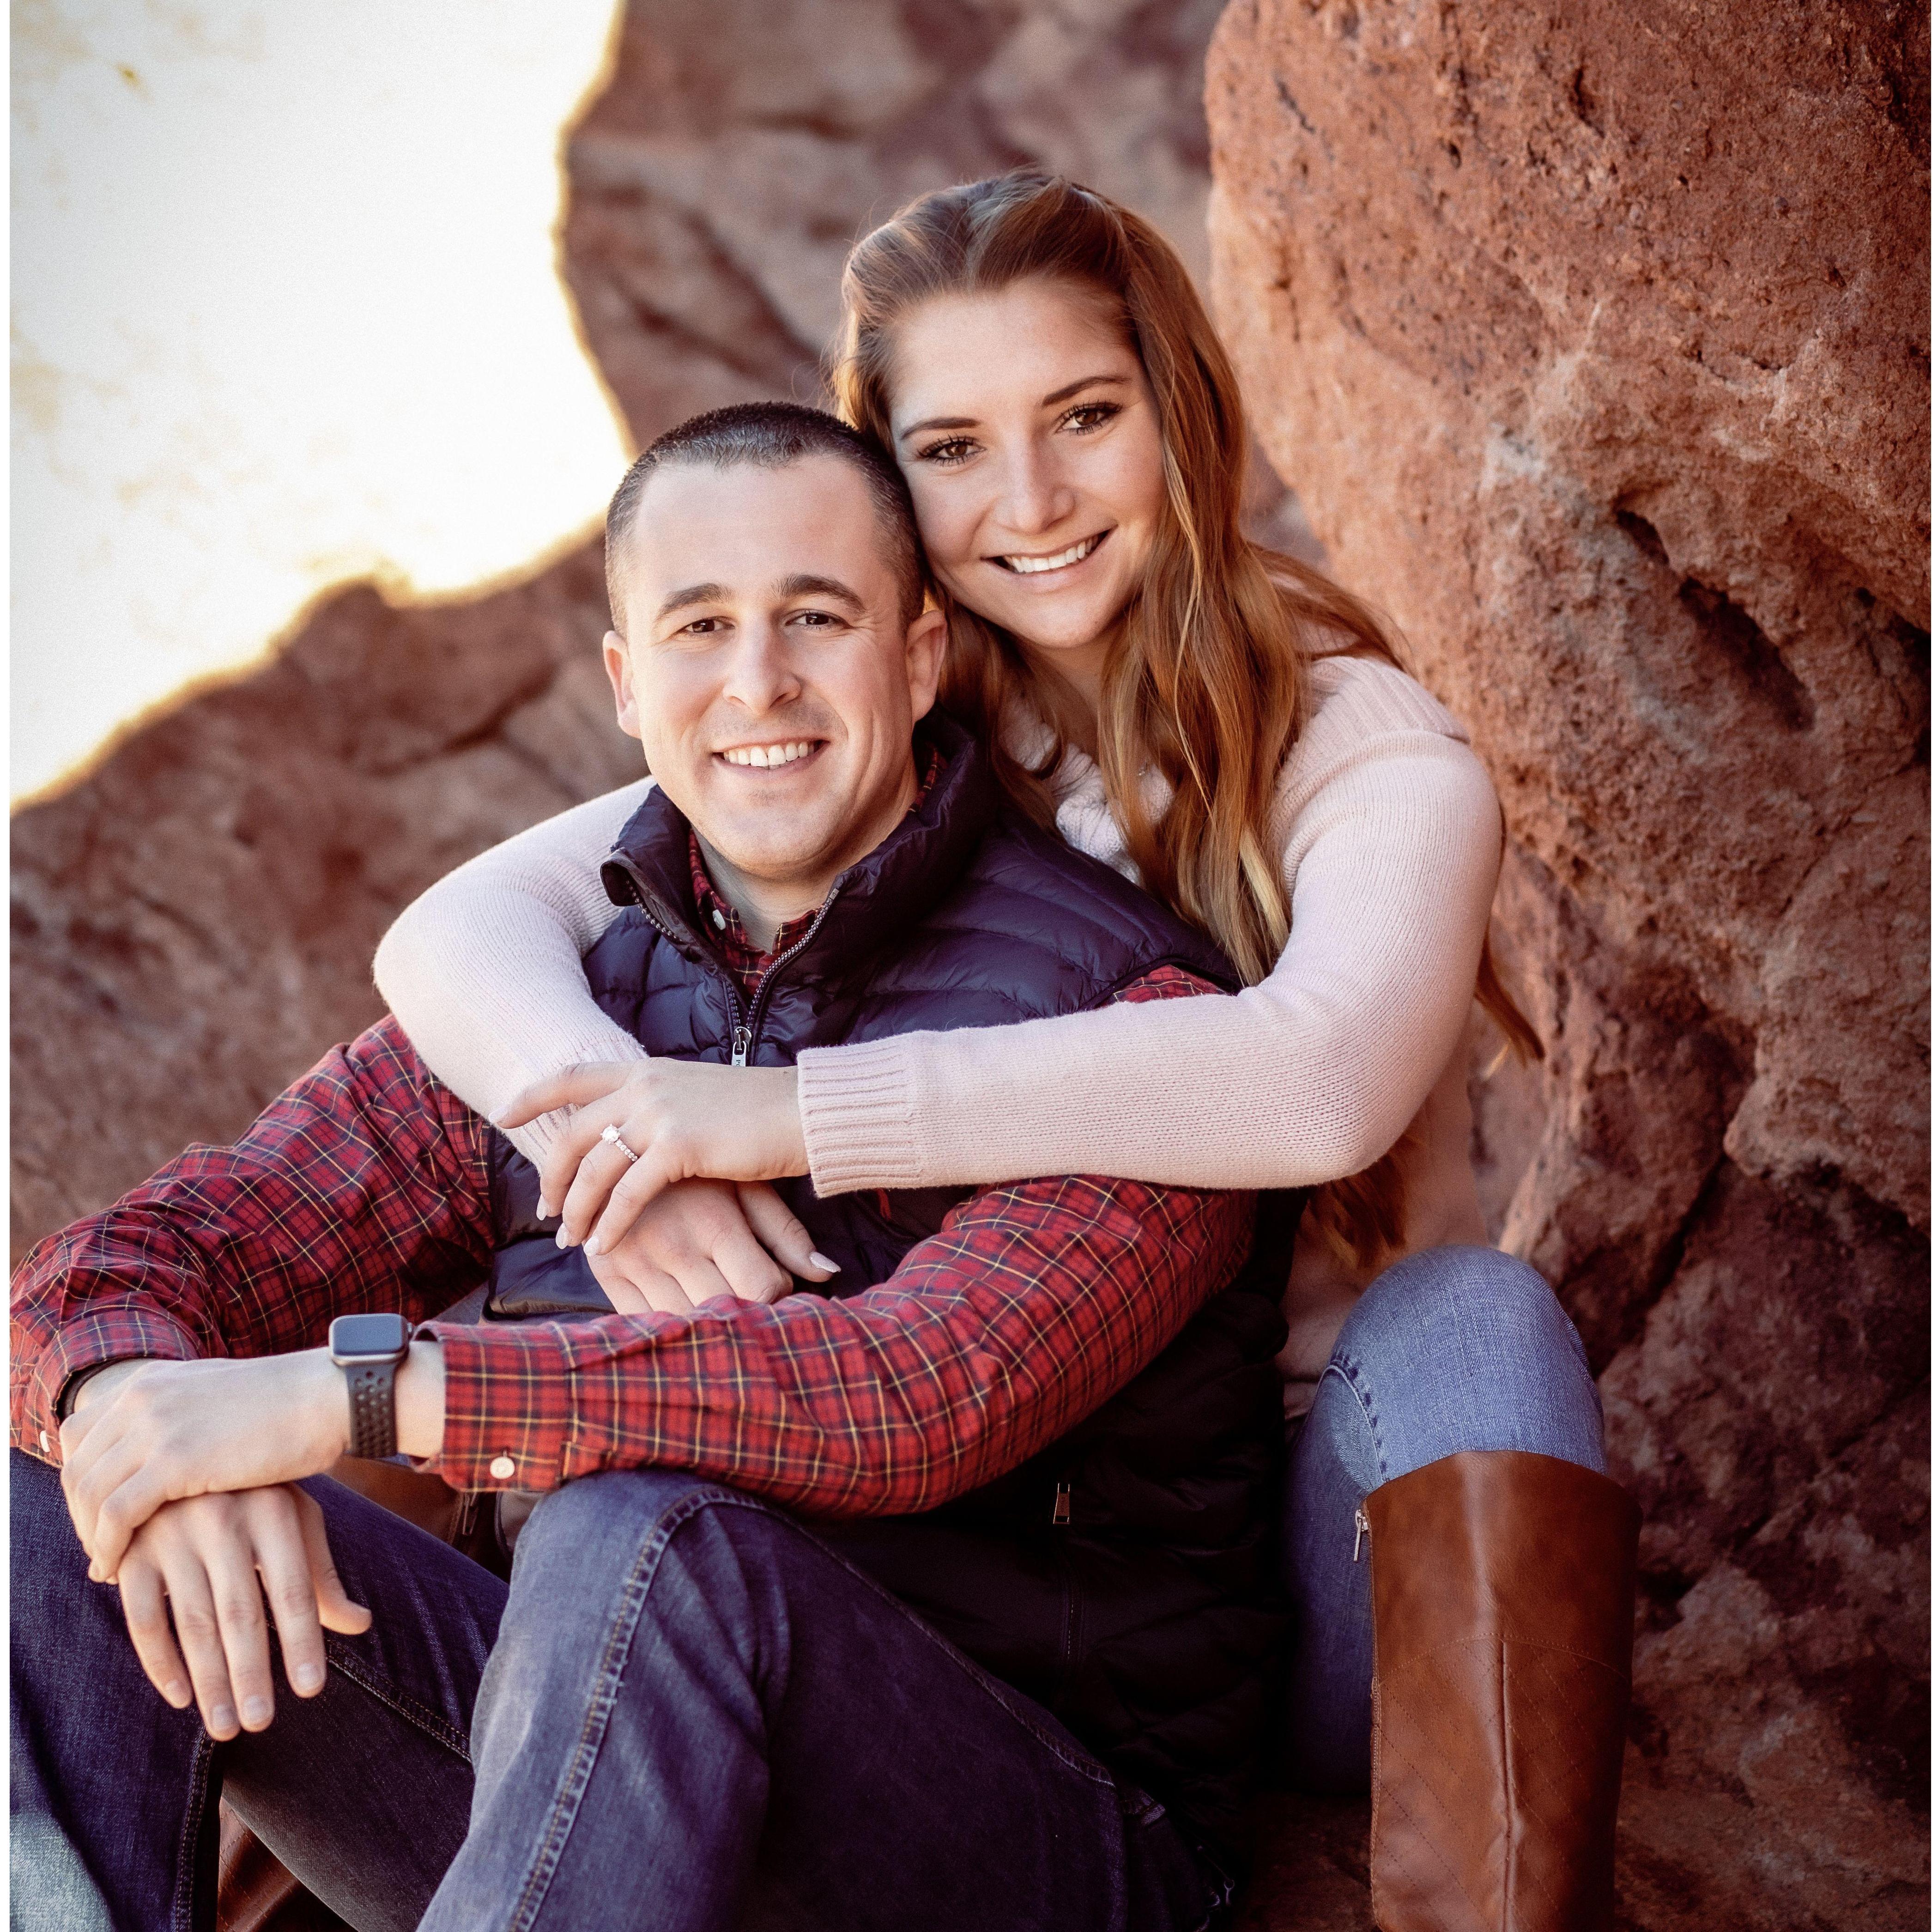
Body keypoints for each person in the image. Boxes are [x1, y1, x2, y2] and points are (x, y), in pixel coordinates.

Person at [375, 172, 1642, 1928]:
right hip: (978, 1563)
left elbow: (1317, 1081)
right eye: (954, 448)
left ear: (1178, 414)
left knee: (1476, 1318)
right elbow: (457, 930)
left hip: (1307, 1542)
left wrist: (770, 1117)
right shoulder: (890, 713)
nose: (1031, 501)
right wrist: (613, 1152)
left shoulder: (1361, 746)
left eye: (1086, 417)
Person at [11, 404, 1294, 1932]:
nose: (758, 682)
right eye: (701, 627)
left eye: (815, 618)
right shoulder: (542, 1015)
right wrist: (135, 1422)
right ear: (628, 683)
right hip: (592, 1795)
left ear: (921, 655)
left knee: (649, 1537)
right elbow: (135, 1264)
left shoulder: (1128, 1015)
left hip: (1042, 1835)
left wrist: (346, 1398)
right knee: (72, 1483)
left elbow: (916, 1393)